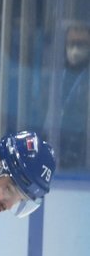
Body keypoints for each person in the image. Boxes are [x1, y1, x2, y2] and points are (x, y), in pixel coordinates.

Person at [55, 22, 89, 169]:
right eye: (71, 44)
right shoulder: (57, 72)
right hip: (60, 140)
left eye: (81, 44)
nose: (75, 50)